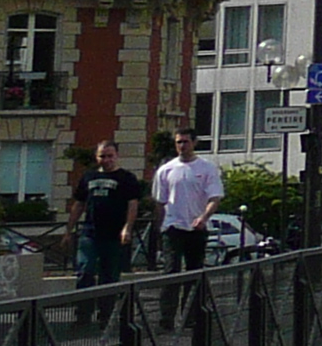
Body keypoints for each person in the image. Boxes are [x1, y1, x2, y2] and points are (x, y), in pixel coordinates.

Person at [151, 130, 223, 327]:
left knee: (194, 272)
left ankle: (191, 316)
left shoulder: (207, 168)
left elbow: (214, 198)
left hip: (197, 228)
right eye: (178, 142)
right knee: (171, 271)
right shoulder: (166, 170)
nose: (182, 146)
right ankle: (166, 317)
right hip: (173, 226)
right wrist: (160, 228)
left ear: (194, 142)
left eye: (185, 142)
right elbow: (160, 202)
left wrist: (203, 217)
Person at [71, 140, 142, 325]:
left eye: (110, 156)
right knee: (85, 271)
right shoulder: (88, 177)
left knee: (109, 276)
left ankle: (105, 315)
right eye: (103, 156)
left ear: (117, 156)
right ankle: (82, 315)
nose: (107, 160)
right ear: (97, 157)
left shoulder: (126, 178)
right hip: (90, 233)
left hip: (114, 234)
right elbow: (79, 204)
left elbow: (133, 204)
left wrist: (128, 227)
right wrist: (69, 229)